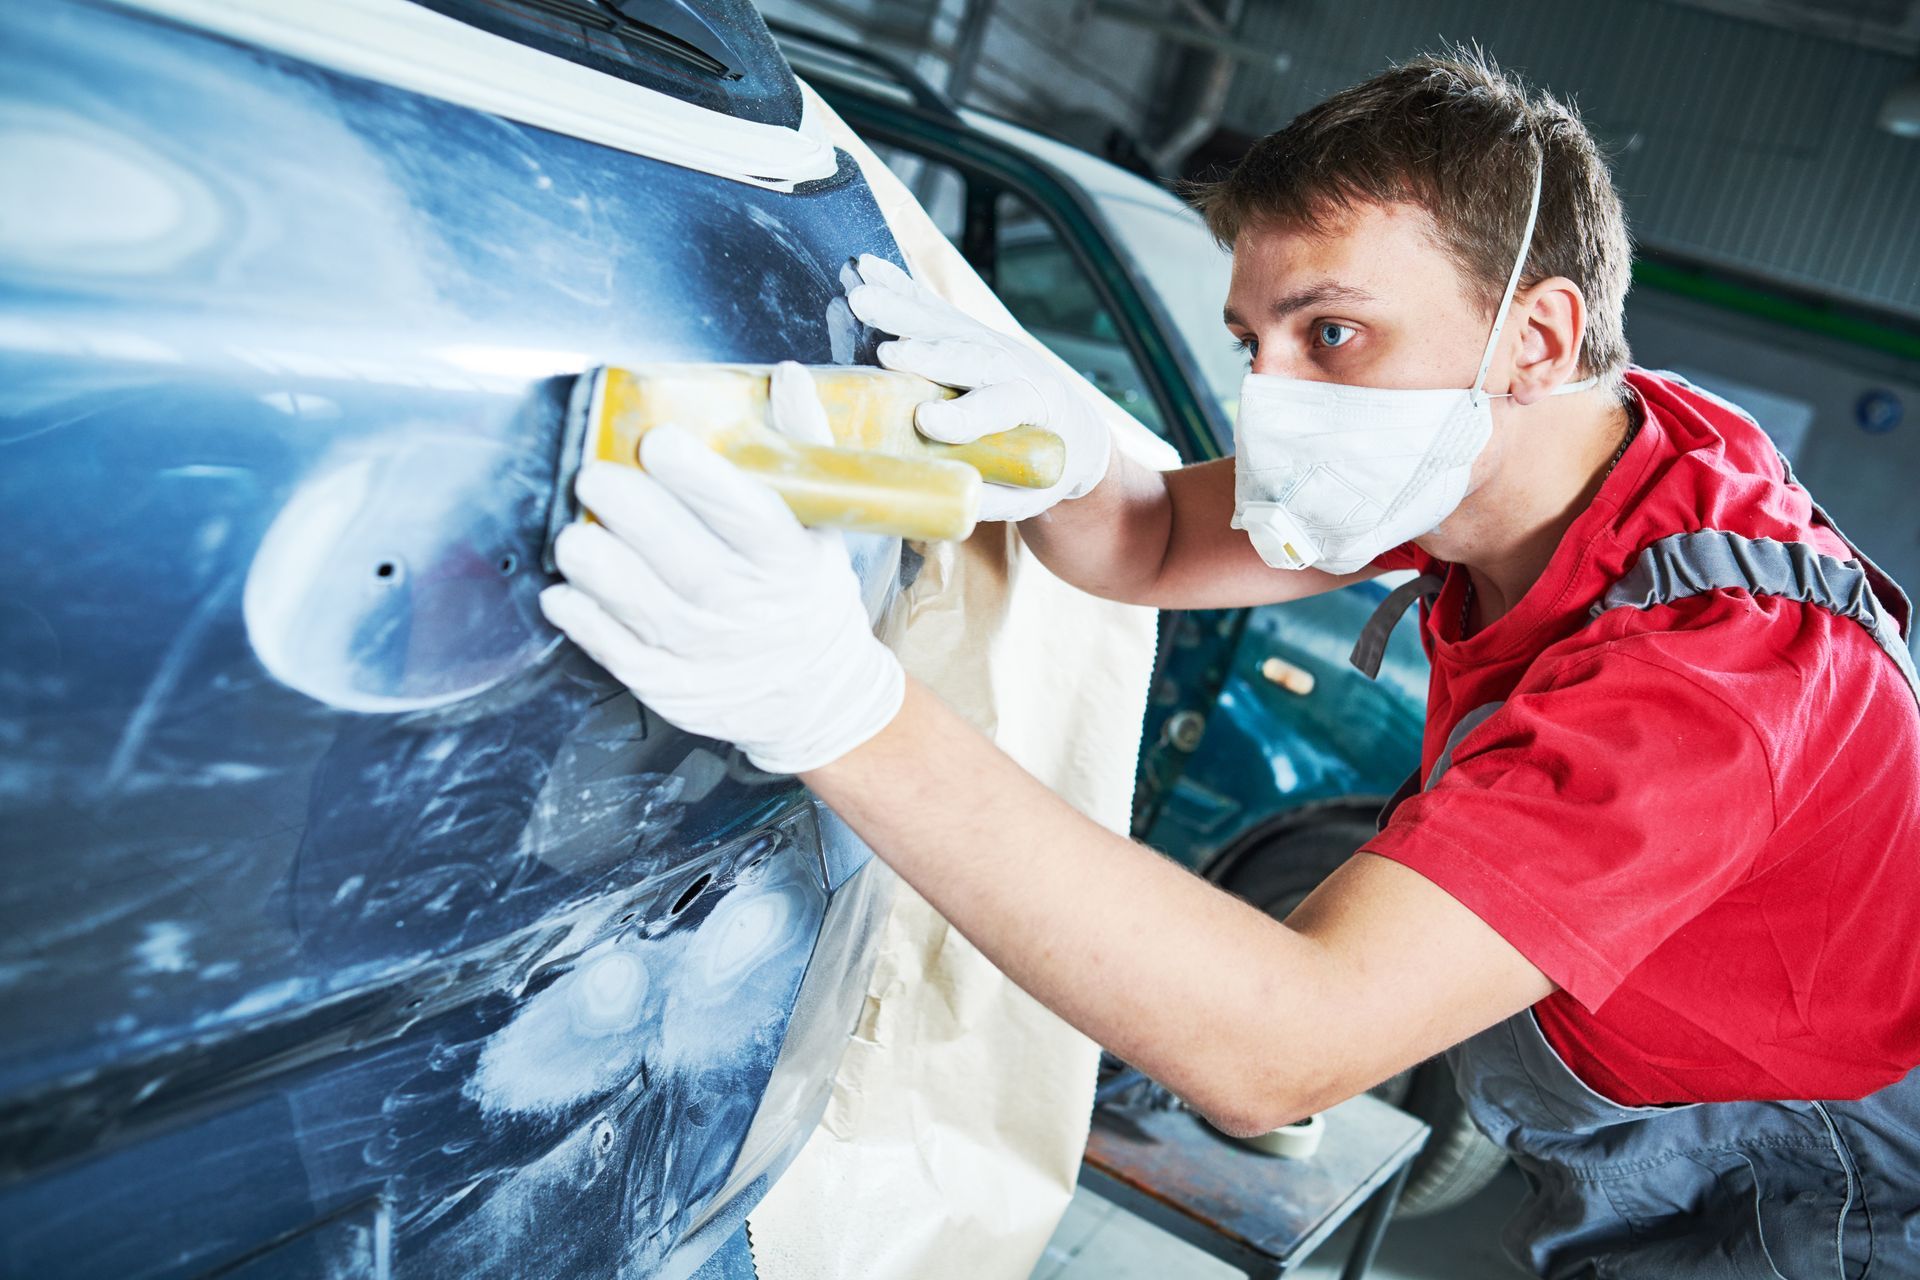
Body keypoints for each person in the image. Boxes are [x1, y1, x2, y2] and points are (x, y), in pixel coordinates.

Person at [539, 49, 1920, 1277]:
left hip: (1821, 1199)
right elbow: (1146, 544)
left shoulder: (1712, 685)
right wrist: (1064, 444)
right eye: (1253, 343)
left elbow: (1279, 1051)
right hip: (1666, 1112)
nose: (1276, 405)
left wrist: (831, 707)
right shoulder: (1558, 453)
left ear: (1538, 337)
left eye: (1332, 334)